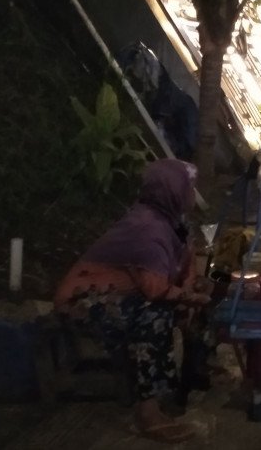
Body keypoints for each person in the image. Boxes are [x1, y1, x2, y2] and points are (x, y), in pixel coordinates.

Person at [54, 159, 211, 443]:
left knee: (181, 306)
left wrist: (189, 287)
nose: (193, 192)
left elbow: (188, 258)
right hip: (87, 301)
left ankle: (185, 382)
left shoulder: (172, 221)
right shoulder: (147, 228)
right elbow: (154, 289)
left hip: (127, 294)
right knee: (156, 315)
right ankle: (147, 412)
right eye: (189, 186)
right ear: (172, 191)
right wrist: (190, 297)